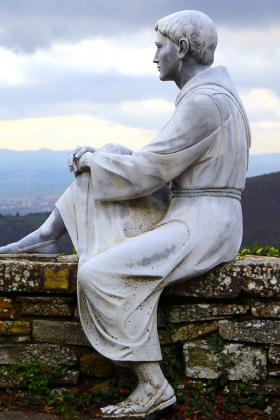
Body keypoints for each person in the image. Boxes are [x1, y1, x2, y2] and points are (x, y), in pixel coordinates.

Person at [0, 10, 251, 417]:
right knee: (112, 153)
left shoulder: (205, 102)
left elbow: (149, 171)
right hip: (193, 211)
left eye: (159, 47)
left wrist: (90, 159)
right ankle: (47, 236)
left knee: (98, 272)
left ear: (181, 48)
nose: (154, 57)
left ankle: (153, 386)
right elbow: (147, 165)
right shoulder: (209, 94)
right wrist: (101, 159)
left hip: (204, 223)